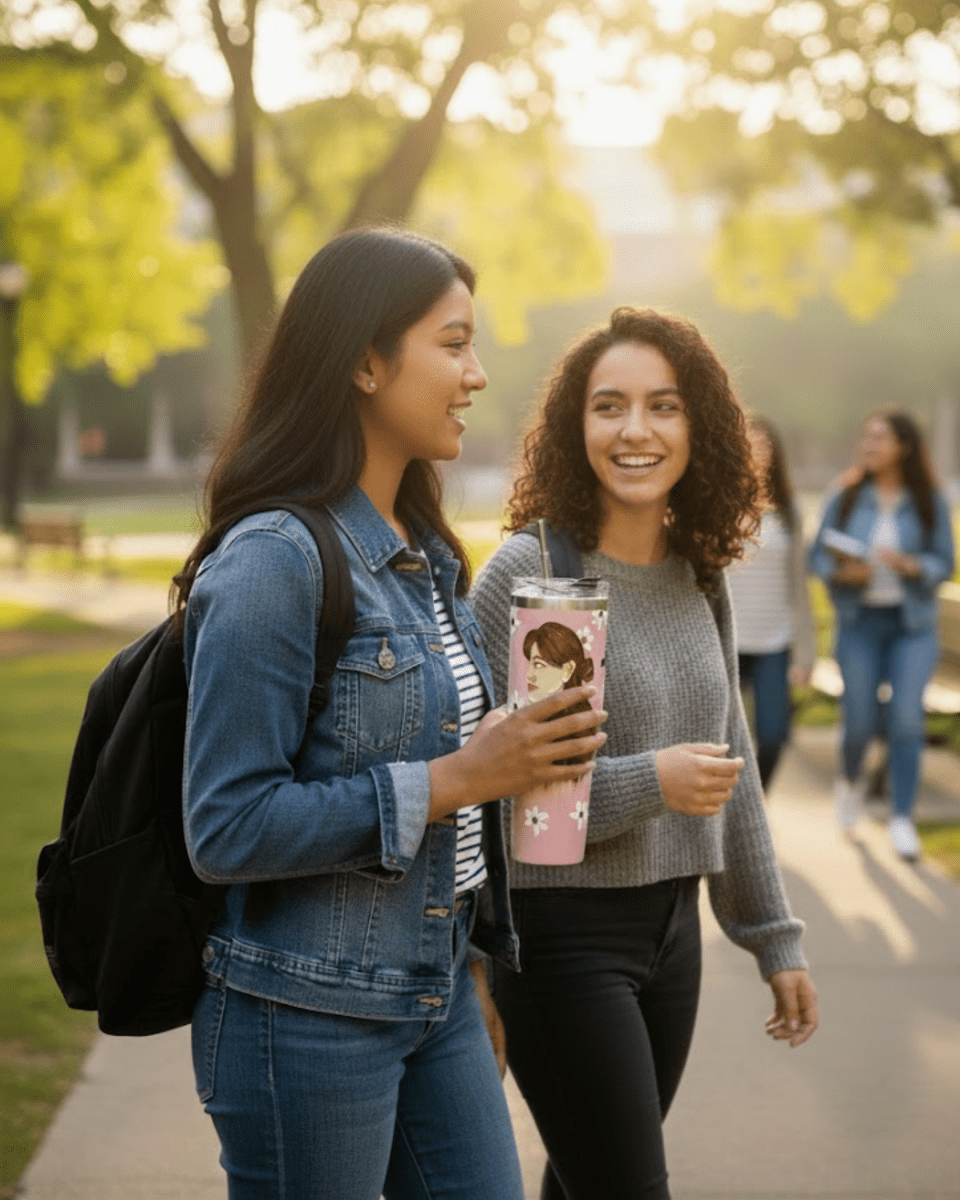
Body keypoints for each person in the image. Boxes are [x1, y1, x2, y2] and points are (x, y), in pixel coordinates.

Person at [174, 227, 607, 1200]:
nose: (478, 375)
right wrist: (459, 777)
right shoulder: (274, 559)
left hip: (437, 994)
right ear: (366, 360)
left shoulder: (425, 555)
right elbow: (226, 826)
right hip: (303, 1014)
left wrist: (479, 963)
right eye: (453, 345)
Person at [470, 307, 819, 1200]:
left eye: (664, 406)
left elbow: (730, 757)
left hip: (673, 935)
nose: (636, 431)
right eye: (609, 406)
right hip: (558, 936)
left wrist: (772, 936)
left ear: (698, 427)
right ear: (573, 427)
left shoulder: (698, 571)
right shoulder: (529, 572)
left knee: (585, 1181)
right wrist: (653, 782)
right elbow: (490, 789)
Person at [809, 407, 955, 860]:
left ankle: (901, 818)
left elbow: (944, 562)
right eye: (866, 437)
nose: (869, 446)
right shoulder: (846, 495)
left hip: (912, 626)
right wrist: (842, 574)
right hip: (860, 625)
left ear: (904, 447)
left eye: (880, 439)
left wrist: (914, 566)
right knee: (860, 722)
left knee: (907, 720)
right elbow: (816, 557)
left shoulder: (927, 498)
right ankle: (851, 783)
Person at [727, 416, 815, 790]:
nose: (758, 451)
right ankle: (724, 816)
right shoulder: (716, 507)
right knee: (722, 739)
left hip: (774, 642)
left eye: (765, 444)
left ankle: (755, 809)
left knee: (775, 735)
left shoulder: (789, 515)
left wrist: (807, 655)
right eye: (750, 443)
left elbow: (800, 590)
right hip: (726, 639)